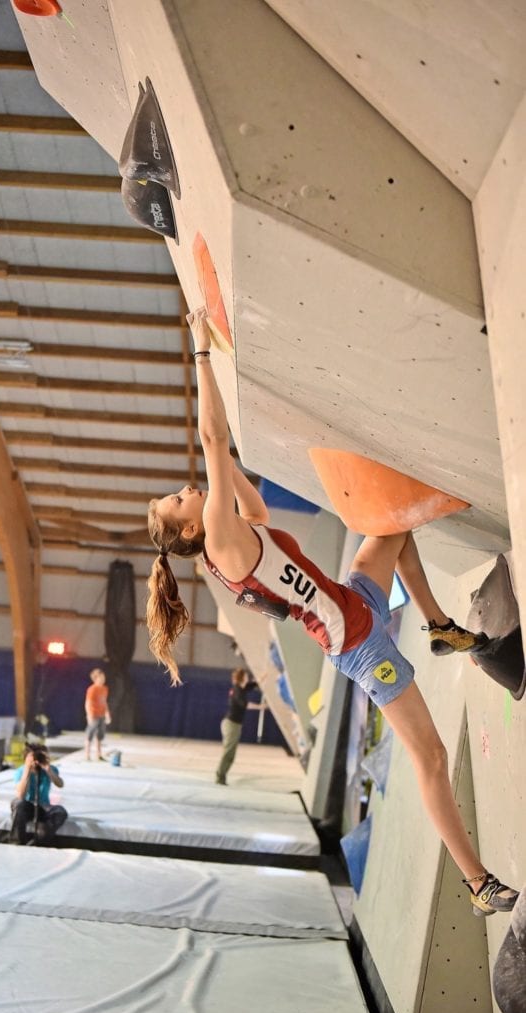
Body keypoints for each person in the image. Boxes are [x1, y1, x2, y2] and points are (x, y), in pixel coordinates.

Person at [146, 307, 519, 918]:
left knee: (393, 527)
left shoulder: (230, 532)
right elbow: (212, 440)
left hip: (355, 600)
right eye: (179, 497)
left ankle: (439, 627)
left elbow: (258, 510)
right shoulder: (215, 537)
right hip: (359, 645)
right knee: (429, 757)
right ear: (189, 526)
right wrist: (202, 353)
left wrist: (230, 469)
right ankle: (478, 884)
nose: (187, 488)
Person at [9, 742, 67, 845]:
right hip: (26, 806)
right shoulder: (20, 771)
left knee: (60, 811)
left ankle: (39, 841)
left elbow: (60, 784)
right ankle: (17, 842)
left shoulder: (51, 769)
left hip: (43, 806)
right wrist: (27, 769)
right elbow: (20, 795)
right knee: (18, 804)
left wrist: (48, 770)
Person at [215, 668, 265, 785]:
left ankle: (222, 776)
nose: (248, 677)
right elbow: (245, 705)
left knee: (231, 754)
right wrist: (260, 707)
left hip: (234, 725)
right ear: (242, 678)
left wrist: (263, 678)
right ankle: (219, 777)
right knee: (228, 752)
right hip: (231, 725)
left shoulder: (241, 688)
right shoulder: (237, 691)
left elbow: (252, 685)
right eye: (246, 676)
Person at [84, 667, 111, 761]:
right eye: (101, 677)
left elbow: (104, 702)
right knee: (90, 734)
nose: (103, 678)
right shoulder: (92, 689)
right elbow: (88, 703)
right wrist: (89, 715)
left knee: (100, 735)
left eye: (104, 677)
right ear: (96, 678)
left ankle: (98, 754)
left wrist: (107, 713)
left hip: (101, 715)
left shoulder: (105, 689)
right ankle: (87, 754)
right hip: (94, 715)